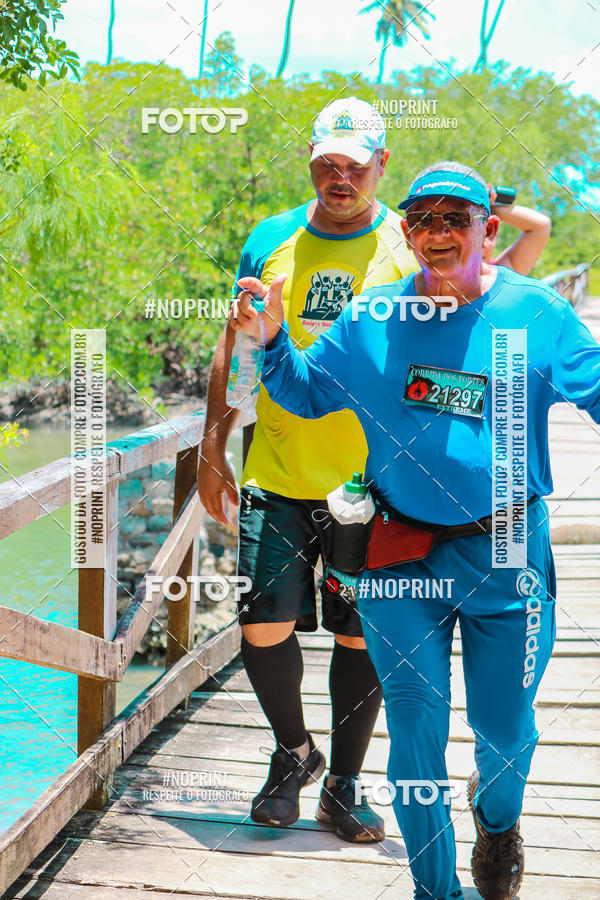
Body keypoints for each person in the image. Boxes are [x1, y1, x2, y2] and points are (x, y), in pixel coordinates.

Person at [229, 161, 600, 899]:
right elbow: (303, 392)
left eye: (454, 218)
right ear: (406, 229)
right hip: (401, 553)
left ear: (488, 230)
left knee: (505, 731)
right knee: (415, 727)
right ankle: (436, 890)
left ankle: (498, 823)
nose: (437, 233)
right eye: (421, 218)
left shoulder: (537, 314)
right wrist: (271, 341)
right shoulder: (371, 320)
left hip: (506, 550)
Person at [198, 97, 417, 842]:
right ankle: (294, 753)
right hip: (279, 470)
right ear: (313, 161)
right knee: (262, 623)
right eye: (327, 161)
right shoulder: (271, 238)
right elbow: (237, 347)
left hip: (376, 482)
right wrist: (211, 450)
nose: (339, 176)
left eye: (355, 164)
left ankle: (346, 786)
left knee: (362, 637)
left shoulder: (407, 244)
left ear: (382, 164)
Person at [485, 185, 551, 274]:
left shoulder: (499, 275)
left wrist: (486, 206)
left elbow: (542, 225)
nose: (482, 244)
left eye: (488, 233)